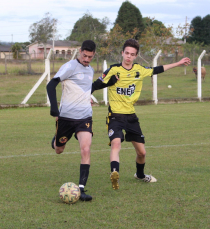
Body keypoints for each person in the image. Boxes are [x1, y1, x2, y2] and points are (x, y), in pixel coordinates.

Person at [92, 39, 191, 190]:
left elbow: (158, 69)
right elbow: (94, 85)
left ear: (136, 56)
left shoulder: (139, 69)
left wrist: (178, 63)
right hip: (115, 116)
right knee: (116, 143)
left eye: (132, 54)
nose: (128, 57)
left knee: (142, 153)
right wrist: (108, 83)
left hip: (131, 117)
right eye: (126, 53)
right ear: (122, 53)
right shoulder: (113, 70)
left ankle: (139, 175)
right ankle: (114, 173)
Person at [46, 40, 117, 201]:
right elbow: (51, 85)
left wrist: (109, 82)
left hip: (84, 116)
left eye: (90, 56)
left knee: (85, 149)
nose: (86, 59)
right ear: (80, 52)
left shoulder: (90, 69)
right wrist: (54, 109)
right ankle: (56, 140)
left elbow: (88, 88)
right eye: (84, 56)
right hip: (65, 117)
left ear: (93, 55)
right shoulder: (69, 66)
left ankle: (81, 189)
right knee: (59, 150)